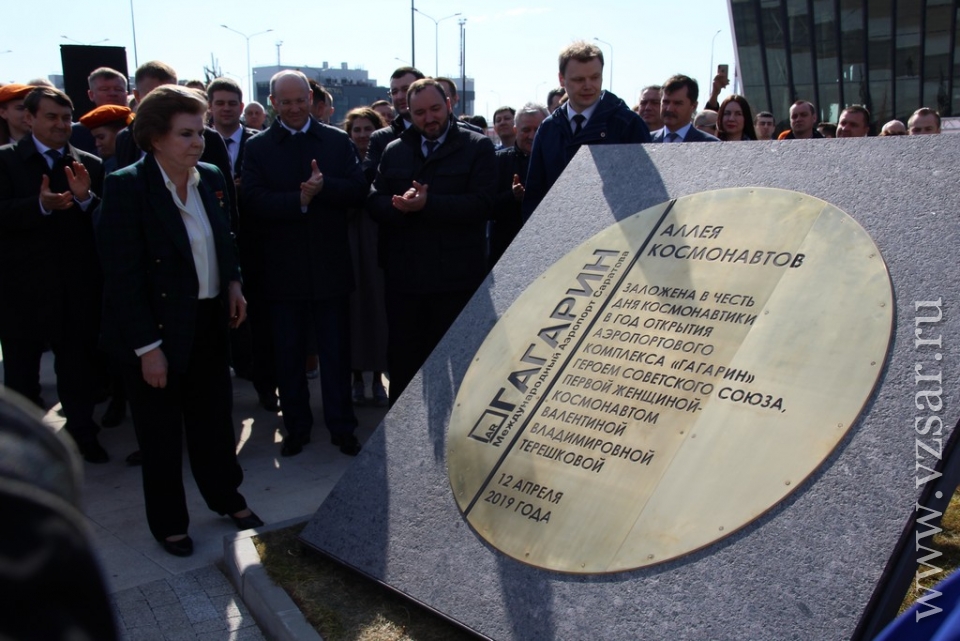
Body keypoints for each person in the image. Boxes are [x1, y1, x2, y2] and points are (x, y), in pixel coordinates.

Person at [97, 85, 263, 557]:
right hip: (155, 329)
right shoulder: (127, 186)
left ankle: (226, 497)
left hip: (208, 321)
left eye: (201, 131)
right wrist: (147, 349)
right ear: (155, 137)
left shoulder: (210, 176)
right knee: (160, 433)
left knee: (214, 422)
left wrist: (233, 283)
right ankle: (170, 523)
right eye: (186, 133)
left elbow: (225, 239)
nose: (198, 141)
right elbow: (121, 276)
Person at [242, 70, 367, 457]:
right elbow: (252, 200)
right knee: (289, 355)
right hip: (282, 271)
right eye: (286, 102)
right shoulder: (258, 147)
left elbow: (358, 190)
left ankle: (342, 426)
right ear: (273, 103)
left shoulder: (336, 140)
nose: (295, 108)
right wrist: (298, 200)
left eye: (301, 100)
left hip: (330, 267)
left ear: (311, 100)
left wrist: (324, 187)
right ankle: (296, 427)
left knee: (336, 354)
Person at [368, 78, 497, 405]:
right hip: (405, 281)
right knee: (404, 365)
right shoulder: (395, 150)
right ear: (409, 113)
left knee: (461, 370)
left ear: (449, 105)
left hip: (456, 281)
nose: (429, 118)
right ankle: (402, 429)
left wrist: (429, 204)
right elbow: (374, 201)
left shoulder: (476, 146)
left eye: (435, 109)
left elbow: (484, 204)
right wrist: (399, 205)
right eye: (420, 112)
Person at [0, 86, 106, 463]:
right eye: (51, 117)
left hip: (75, 288)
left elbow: (106, 222)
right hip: (21, 290)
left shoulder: (89, 165)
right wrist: (39, 206)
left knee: (77, 368)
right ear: (29, 119)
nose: (61, 125)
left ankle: (82, 434)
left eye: (66, 118)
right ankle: (23, 448)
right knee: (21, 373)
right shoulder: (5, 161)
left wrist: (85, 199)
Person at [523, 41, 649, 218]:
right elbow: (535, 195)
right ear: (561, 79)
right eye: (579, 79)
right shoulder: (548, 129)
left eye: (595, 77)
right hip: (560, 230)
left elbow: (646, 192)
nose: (588, 85)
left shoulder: (628, 125)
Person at [343, 107, 389, 407]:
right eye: (356, 130)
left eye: (367, 129)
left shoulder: (386, 158)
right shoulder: (342, 161)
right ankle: (357, 378)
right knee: (354, 311)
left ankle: (377, 379)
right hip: (349, 241)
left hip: (377, 239)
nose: (362, 135)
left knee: (378, 310)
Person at [491, 103, 548, 268]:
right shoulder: (498, 161)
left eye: (538, 129)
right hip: (507, 252)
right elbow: (484, 205)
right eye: (526, 130)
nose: (532, 135)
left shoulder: (556, 159)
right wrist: (511, 195)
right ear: (516, 130)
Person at [363, 66, 425, 180]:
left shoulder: (446, 132)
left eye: (406, 89)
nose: (399, 96)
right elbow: (370, 181)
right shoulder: (381, 139)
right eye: (394, 92)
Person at [70, 67, 128, 155]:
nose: (112, 93)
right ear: (91, 95)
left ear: (126, 94)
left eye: (118, 89)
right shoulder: (76, 133)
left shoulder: (137, 125)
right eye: (105, 89)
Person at [651, 74, 719, 143]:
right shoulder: (647, 140)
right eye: (666, 102)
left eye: (677, 103)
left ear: (694, 106)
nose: (669, 109)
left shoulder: (710, 143)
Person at [78, 104, 132, 173]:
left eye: (101, 137)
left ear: (120, 132)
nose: (97, 144)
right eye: (95, 138)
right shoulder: (97, 165)